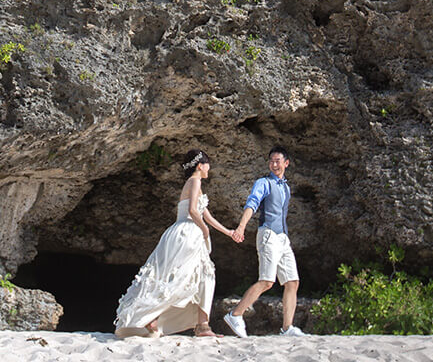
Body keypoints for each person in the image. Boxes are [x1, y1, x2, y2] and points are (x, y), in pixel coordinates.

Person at [114, 149, 239, 338]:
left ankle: (198, 325)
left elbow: (206, 214)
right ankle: (181, 322)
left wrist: (228, 232)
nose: (209, 168)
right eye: (207, 164)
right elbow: (193, 211)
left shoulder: (194, 183)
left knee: (194, 277)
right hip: (188, 233)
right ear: (200, 165)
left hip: (185, 232)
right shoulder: (195, 181)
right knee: (186, 278)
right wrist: (204, 230)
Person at [222, 145, 305, 337]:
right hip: (268, 234)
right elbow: (252, 203)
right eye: (271, 161)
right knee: (267, 281)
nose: (274, 164)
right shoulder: (263, 182)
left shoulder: (286, 187)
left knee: (292, 282)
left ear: (286, 163)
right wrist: (241, 227)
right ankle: (235, 314)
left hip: (283, 237)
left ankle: (287, 328)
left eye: (278, 161)